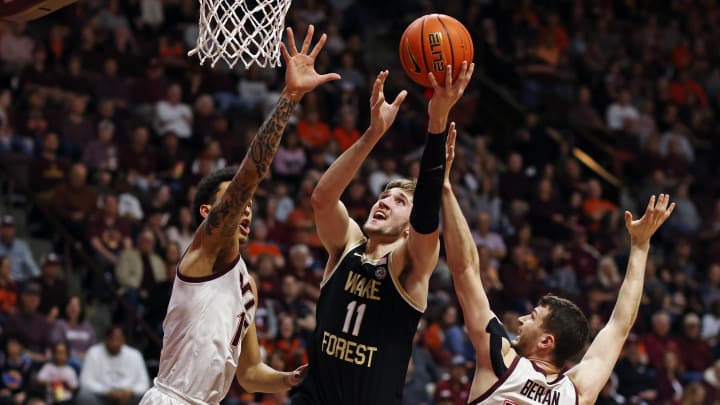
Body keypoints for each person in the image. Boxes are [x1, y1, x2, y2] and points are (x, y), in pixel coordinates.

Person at [140, 25, 340, 405]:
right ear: (206, 212)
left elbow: (249, 374)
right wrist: (290, 97)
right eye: (234, 201)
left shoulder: (247, 284)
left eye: (247, 205)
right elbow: (249, 176)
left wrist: (293, 377)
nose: (244, 208)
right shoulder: (206, 249)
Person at [440, 122, 675, 405]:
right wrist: (639, 247)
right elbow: (619, 326)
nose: (521, 320)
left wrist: (444, 189)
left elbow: (465, 269)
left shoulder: (502, 361)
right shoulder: (576, 394)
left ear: (546, 342)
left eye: (533, 316)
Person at [292, 62, 475, 405]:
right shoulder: (347, 244)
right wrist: (373, 133)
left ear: (408, 227)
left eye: (399, 201)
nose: (385, 202)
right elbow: (322, 198)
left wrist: (436, 121)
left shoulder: (409, 263)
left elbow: (425, 218)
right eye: (383, 196)